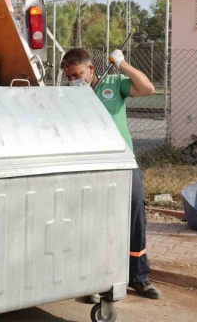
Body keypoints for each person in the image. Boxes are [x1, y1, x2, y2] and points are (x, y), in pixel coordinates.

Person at [61, 48, 162, 302]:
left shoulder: (114, 84)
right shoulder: (69, 96)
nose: (73, 80)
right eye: (68, 76)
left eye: (77, 74)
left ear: (91, 69)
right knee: (92, 222)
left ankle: (139, 278)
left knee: (135, 217)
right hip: (89, 167)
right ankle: (93, 282)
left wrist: (122, 64)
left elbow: (148, 88)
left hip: (123, 162)